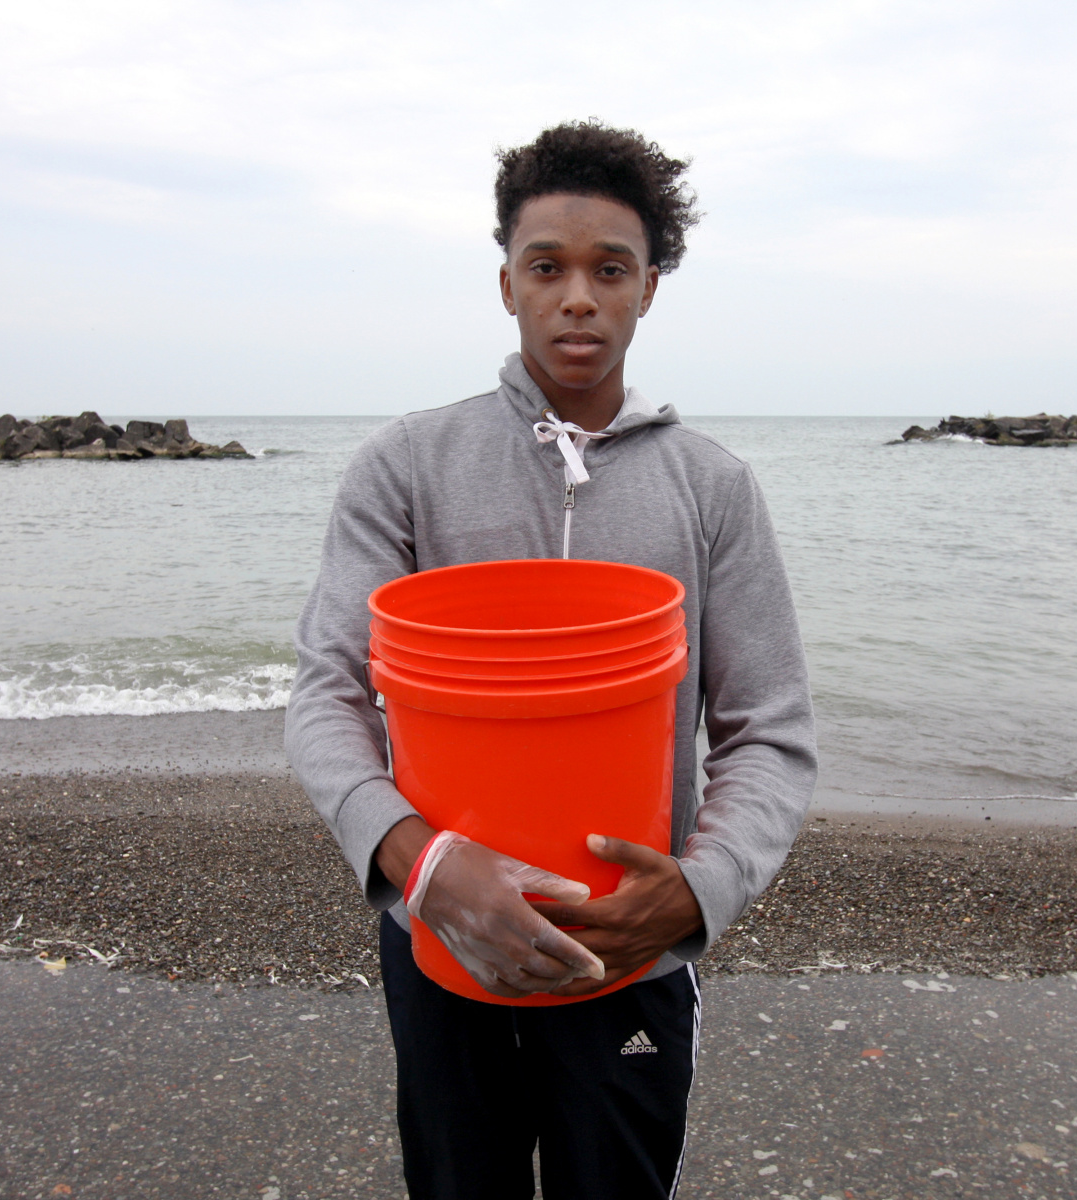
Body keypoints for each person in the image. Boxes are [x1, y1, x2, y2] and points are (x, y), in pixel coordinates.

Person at [285, 120, 817, 1200]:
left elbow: (770, 729)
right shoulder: (406, 466)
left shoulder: (713, 487)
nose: (579, 296)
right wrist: (419, 864)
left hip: (633, 951)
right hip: (442, 936)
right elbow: (328, 695)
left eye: (610, 269)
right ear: (507, 284)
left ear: (649, 288)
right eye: (549, 267)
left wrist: (700, 890)